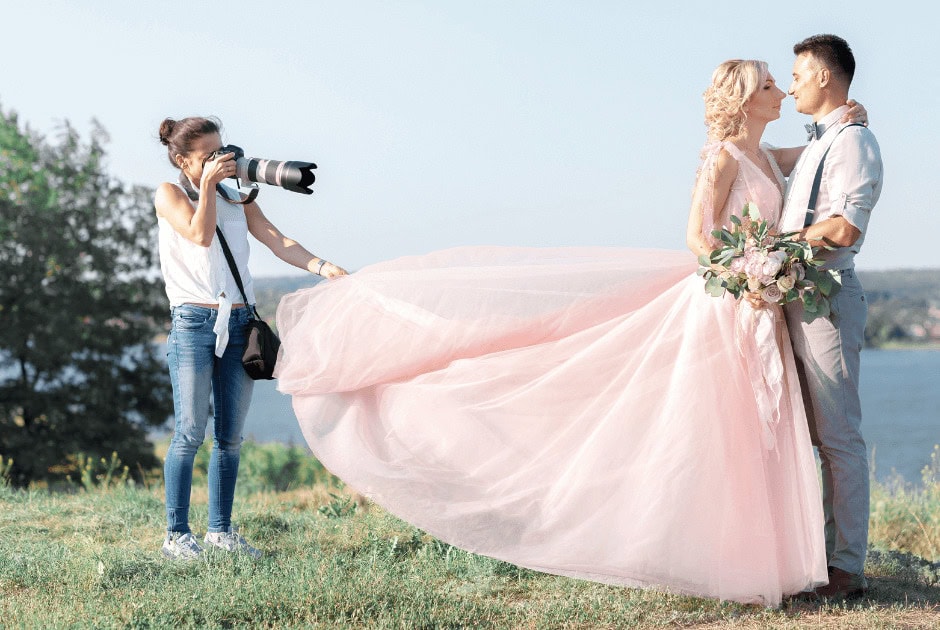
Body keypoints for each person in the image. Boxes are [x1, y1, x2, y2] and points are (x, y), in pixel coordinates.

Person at [273, 63, 865, 605]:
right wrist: (746, 275)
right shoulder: (723, 158)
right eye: (767, 84)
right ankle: (713, 555)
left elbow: (810, 156)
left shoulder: (766, 155)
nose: (780, 90)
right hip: (728, 304)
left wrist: (850, 118)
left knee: (756, 429)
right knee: (718, 429)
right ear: (743, 98)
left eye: (779, 81)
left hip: (759, 306)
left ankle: (770, 560)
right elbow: (698, 238)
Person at [155, 116, 347, 559]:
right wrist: (206, 186)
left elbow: (276, 240)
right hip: (193, 324)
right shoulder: (170, 194)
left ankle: (220, 533)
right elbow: (200, 235)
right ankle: (176, 535)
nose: (222, 161)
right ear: (183, 160)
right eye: (209, 155)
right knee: (188, 433)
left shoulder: (235, 195)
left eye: (223, 151)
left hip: (240, 324)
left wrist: (323, 267)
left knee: (230, 438)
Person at [779, 35, 883, 599]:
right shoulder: (821, 141)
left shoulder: (854, 144)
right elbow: (762, 159)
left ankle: (846, 569)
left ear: (823, 76)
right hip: (792, 299)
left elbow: (844, 229)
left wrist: (776, 247)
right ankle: (815, 556)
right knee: (808, 435)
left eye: (796, 73)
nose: (790, 83)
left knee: (838, 437)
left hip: (828, 299)